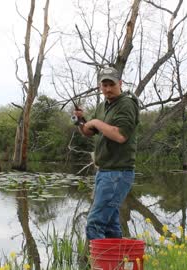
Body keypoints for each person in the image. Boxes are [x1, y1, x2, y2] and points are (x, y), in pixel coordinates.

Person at [74, 66, 140, 240]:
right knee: (110, 224)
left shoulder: (126, 104)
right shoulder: (103, 106)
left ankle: (95, 265)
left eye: (112, 84)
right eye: (105, 85)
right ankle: (116, 263)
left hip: (118, 173)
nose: (108, 89)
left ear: (120, 83)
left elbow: (120, 136)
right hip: (104, 172)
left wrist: (95, 121)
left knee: (94, 223)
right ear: (100, 86)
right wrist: (81, 121)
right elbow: (89, 132)